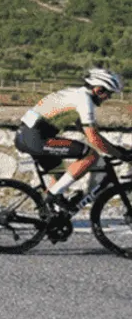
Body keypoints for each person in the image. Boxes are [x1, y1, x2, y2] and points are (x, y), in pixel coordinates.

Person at [14, 67, 130, 212]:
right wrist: (119, 154)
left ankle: (52, 218)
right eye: (108, 93)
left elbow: (86, 131)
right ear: (99, 89)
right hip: (36, 138)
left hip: (27, 135)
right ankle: (54, 195)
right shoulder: (84, 101)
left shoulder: (76, 94)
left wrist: (113, 148)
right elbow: (93, 138)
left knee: (59, 175)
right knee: (90, 155)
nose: (108, 98)